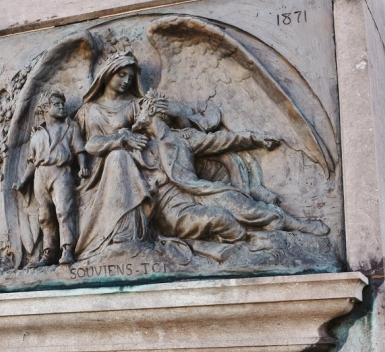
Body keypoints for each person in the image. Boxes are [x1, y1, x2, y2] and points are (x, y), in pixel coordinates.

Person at [132, 92, 329, 244]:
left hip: (200, 192)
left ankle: (297, 225)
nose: (135, 115)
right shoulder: (138, 147)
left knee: (244, 206)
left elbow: (222, 140)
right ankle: (249, 241)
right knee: (220, 217)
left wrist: (254, 138)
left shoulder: (184, 138)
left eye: (140, 109)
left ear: (151, 111)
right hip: (173, 207)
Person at [74, 52, 153, 259]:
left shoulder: (135, 106)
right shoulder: (88, 110)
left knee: (120, 157)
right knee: (117, 156)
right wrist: (121, 138)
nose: (126, 81)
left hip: (131, 166)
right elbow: (88, 145)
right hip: (94, 175)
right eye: (122, 74)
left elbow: (154, 132)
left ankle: (126, 234)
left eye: (130, 77)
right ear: (108, 74)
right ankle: (108, 236)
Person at [14, 90, 89, 265]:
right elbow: (32, 162)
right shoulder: (37, 133)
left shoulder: (70, 128)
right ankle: (49, 253)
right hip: (41, 176)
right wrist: (23, 181)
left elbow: (79, 149)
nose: (62, 107)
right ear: (45, 108)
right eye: (57, 104)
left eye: (62, 103)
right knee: (45, 216)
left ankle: (68, 249)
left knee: (64, 210)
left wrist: (84, 165)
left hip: (61, 172)